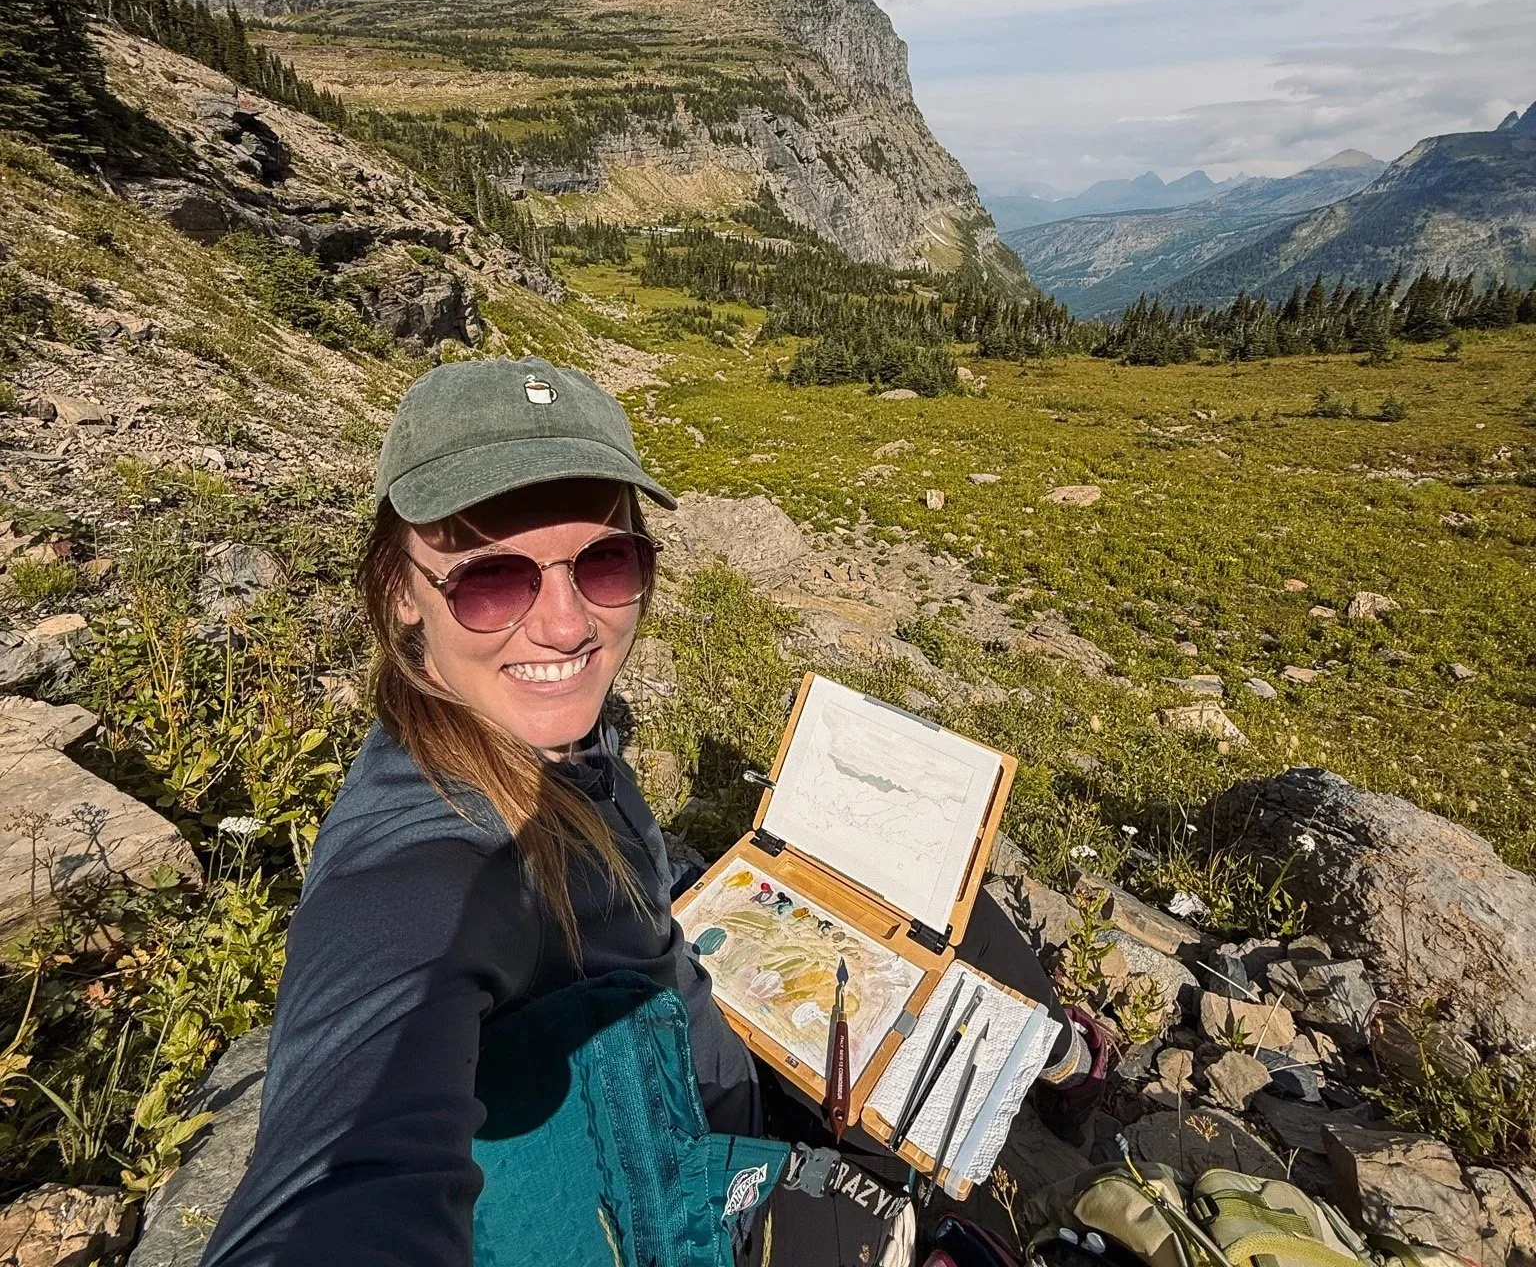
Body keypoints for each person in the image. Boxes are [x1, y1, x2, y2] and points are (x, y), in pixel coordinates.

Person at [202, 355, 1100, 1267]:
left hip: (730, 1072)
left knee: (938, 904)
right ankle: (1069, 1084)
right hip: (701, 1187)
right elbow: (337, 1188)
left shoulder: (540, 736)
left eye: (605, 562)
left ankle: (1067, 1061)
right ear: (401, 589)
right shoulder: (423, 872)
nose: (566, 625)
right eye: (491, 580)